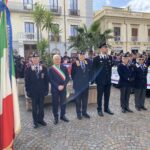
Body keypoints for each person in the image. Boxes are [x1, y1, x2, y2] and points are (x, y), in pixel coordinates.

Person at [25, 52, 49, 128]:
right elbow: (27, 81)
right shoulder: (28, 69)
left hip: (41, 92)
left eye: (36, 58)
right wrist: (28, 91)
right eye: (34, 58)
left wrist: (46, 90)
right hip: (33, 92)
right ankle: (35, 121)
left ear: (39, 59)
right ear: (32, 59)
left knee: (41, 107)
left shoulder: (44, 68)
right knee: (34, 108)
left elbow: (46, 80)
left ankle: (40, 120)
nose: (35, 59)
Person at [93, 42, 114, 117]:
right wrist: (95, 80)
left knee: (107, 95)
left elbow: (111, 67)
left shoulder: (110, 58)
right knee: (100, 96)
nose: (106, 49)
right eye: (105, 47)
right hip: (100, 81)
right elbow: (94, 70)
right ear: (101, 49)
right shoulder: (96, 59)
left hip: (108, 80)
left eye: (106, 47)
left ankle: (106, 108)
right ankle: (99, 109)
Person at [48, 54, 70, 125]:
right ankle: (56, 117)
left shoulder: (64, 67)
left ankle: (62, 115)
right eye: (56, 59)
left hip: (63, 88)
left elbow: (67, 78)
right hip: (55, 89)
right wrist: (57, 86)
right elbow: (50, 80)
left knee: (63, 102)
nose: (57, 60)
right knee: (55, 103)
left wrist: (63, 85)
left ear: (61, 60)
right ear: (53, 60)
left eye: (58, 59)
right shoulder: (51, 69)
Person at [71, 51, 91, 120]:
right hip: (78, 86)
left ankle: (84, 112)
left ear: (84, 56)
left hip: (85, 85)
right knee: (78, 100)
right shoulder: (74, 64)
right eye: (80, 55)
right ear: (78, 56)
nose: (82, 56)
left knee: (85, 100)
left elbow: (89, 72)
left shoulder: (87, 63)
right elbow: (72, 75)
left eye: (83, 55)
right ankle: (78, 113)